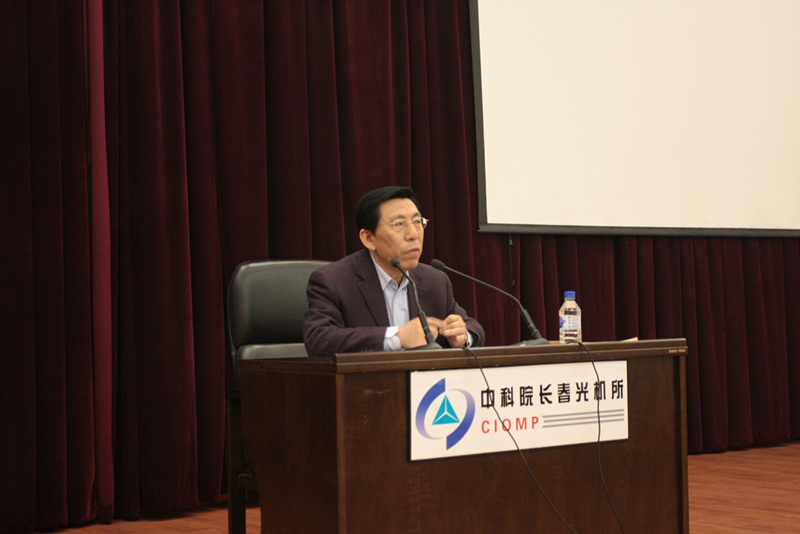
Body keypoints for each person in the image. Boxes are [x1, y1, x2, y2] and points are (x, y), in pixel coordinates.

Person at [303, 186, 485, 358]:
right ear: (368, 238)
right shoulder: (333, 281)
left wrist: (462, 336)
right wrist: (397, 337)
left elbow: (472, 327)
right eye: (399, 224)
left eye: (417, 222)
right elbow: (319, 339)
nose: (413, 234)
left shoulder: (434, 280)